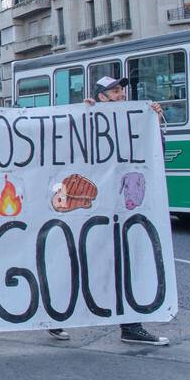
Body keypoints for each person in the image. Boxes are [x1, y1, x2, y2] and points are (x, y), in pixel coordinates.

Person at [49, 75, 168, 346]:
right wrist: (80, 115)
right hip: (89, 211)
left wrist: (154, 125)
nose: (121, 95)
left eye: (122, 91)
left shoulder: (134, 121)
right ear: (101, 96)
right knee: (84, 264)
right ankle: (54, 316)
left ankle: (131, 326)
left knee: (125, 266)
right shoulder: (85, 118)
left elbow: (154, 157)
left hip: (122, 210)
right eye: (114, 91)